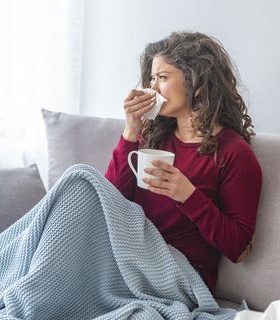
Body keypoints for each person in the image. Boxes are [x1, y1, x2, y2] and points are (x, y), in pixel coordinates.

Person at [105, 31, 263, 292]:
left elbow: (239, 249)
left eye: (163, 78)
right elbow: (109, 202)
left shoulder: (233, 153)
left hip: (180, 276)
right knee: (78, 181)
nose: (153, 88)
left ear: (197, 81)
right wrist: (131, 131)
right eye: (152, 79)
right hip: (131, 260)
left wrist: (188, 195)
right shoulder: (153, 136)